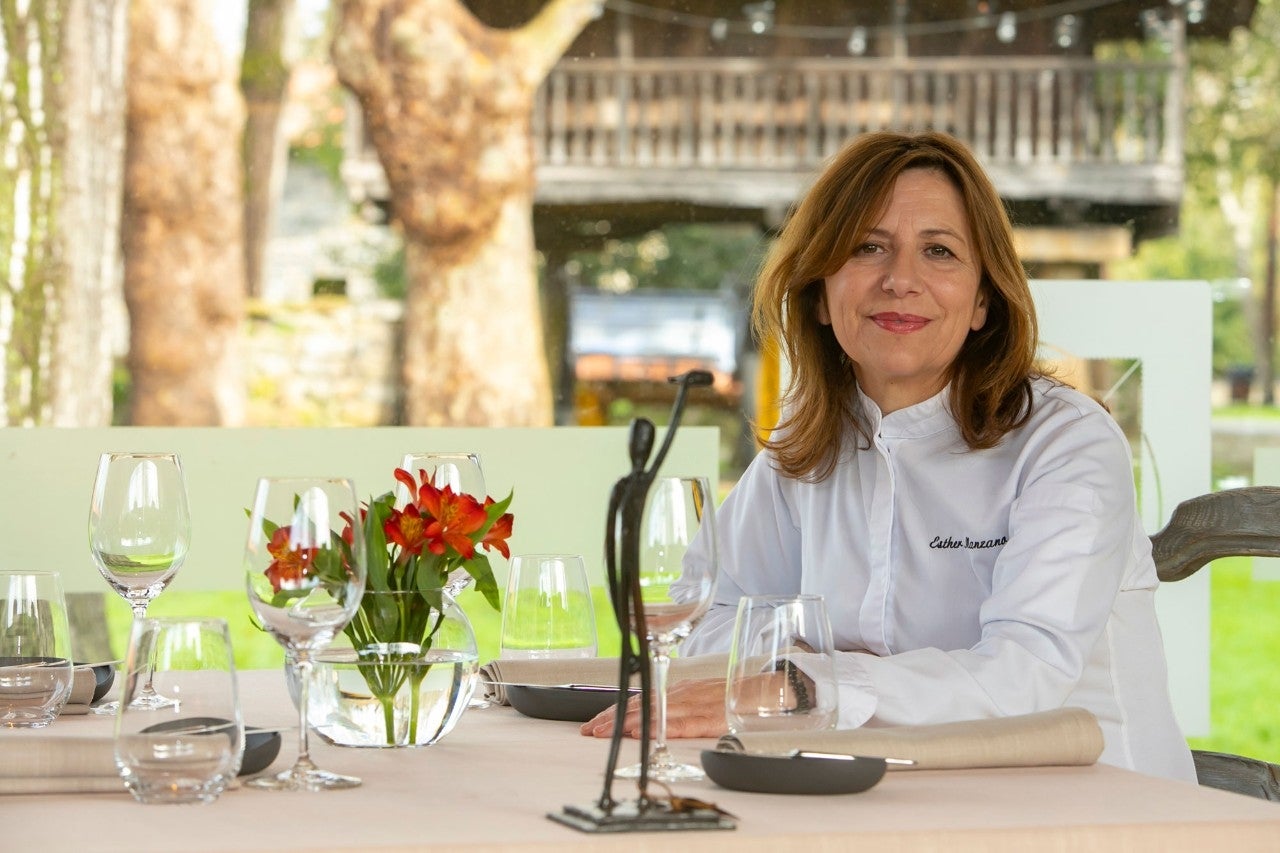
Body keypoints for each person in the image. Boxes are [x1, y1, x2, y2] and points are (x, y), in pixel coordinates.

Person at [581, 130, 1195, 783]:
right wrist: (781, 668)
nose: (901, 280)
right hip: (888, 794)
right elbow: (708, 611)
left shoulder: (1066, 443)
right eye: (868, 247)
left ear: (984, 298)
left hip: (1102, 806)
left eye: (939, 251)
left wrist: (807, 681)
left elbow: (1025, 675)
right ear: (819, 292)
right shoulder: (809, 441)